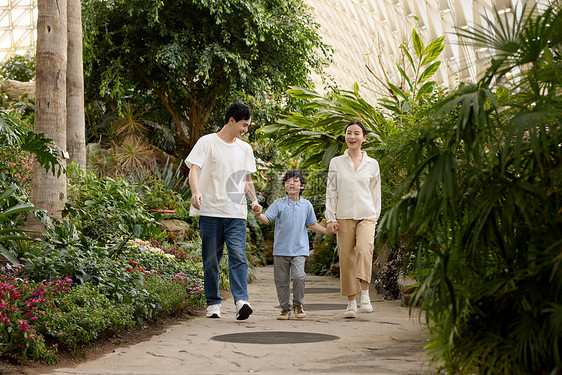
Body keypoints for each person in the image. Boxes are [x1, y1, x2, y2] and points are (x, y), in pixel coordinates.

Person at [185, 102, 262, 320]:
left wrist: (254, 201)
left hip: (236, 213)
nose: (246, 129)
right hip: (210, 211)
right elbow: (194, 170)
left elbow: (247, 180)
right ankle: (213, 304)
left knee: (238, 256)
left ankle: (241, 301)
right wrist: (195, 192)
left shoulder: (245, 149)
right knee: (211, 260)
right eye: (244, 125)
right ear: (231, 121)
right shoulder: (207, 142)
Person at [325, 121, 381, 319]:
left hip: (367, 214)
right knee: (347, 257)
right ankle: (351, 303)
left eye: (357, 133)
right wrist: (330, 217)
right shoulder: (336, 163)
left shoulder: (372, 164)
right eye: (349, 133)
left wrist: (375, 215)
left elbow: (376, 192)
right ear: (345, 137)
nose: (352, 136)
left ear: (364, 138)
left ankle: (365, 296)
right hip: (344, 215)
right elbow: (331, 191)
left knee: (365, 249)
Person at [254, 170, 327, 320]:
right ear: (284, 186)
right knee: (281, 281)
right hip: (281, 250)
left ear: (302, 185)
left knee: (299, 277)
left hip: (299, 249)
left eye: (295, 180)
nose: (291, 183)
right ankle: (285, 309)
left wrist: (327, 230)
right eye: (287, 181)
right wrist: (257, 214)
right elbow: (266, 219)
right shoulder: (278, 204)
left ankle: (298, 305)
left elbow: (312, 223)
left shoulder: (306, 205)